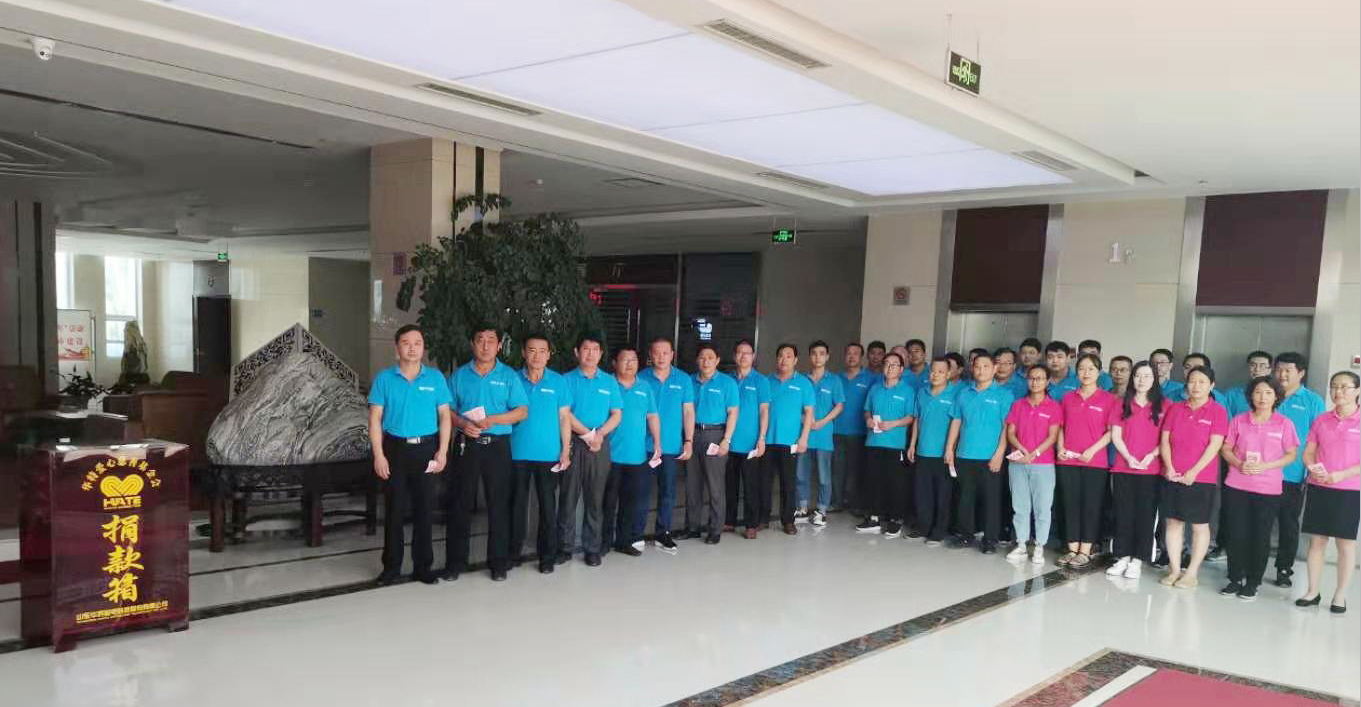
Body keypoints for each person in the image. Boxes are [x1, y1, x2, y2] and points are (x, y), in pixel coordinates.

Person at [367, 324, 452, 586]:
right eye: (406, 343)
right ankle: (391, 568)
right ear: (397, 349)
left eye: (417, 343)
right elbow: (375, 418)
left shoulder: (435, 378)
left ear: (423, 348)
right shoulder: (384, 379)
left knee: (424, 510)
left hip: (427, 449)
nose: (412, 348)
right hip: (395, 449)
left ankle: (423, 567)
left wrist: (442, 451)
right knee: (394, 511)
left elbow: (445, 416)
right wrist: (379, 455)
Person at [446, 326, 529, 582]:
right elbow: (447, 411)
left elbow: (522, 411)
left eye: (491, 340)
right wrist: (462, 423)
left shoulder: (509, 376)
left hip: (497, 445)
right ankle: (455, 563)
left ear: (499, 346)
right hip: (467, 444)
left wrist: (494, 419)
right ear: (472, 344)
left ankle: (498, 563)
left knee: (499, 504)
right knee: (460, 503)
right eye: (480, 340)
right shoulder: (460, 375)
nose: (485, 345)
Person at [1218, 376, 1299, 601]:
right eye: (1258, 392)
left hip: (1268, 488)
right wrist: (1238, 463)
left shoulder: (1284, 423)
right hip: (1237, 485)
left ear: (1276, 397)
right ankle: (1234, 578)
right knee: (1236, 532)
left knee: (1260, 535)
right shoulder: (1239, 420)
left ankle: (1253, 582)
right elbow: (1226, 448)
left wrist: (1266, 466)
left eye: (1268, 393)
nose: (1262, 397)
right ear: (1250, 396)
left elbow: (1291, 454)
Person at [1159, 365, 1228, 589]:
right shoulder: (1175, 408)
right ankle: (1175, 569)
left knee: (1199, 525)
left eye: (1202, 382)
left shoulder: (1217, 411)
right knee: (1173, 522)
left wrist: (1194, 472)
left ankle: (1192, 573)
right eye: (1192, 381)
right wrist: (1169, 467)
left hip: (1201, 478)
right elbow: (1165, 441)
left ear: (1211, 385)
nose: (1196, 386)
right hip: (1173, 475)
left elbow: (1215, 445)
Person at [509, 334, 573, 575]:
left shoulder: (558, 381)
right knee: (516, 505)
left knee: (547, 506)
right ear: (524, 353)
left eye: (542, 351)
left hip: (549, 454)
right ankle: (512, 553)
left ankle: (547, 556)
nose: (537, 356)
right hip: (517, 453)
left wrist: (565, 449)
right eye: (532, 350)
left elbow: (564, 418)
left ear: (549, 354)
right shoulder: (513, 379)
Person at [1298, 371, 1359, 614]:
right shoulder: (1322, 420)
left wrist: (1341, 475)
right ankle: (1312, 591)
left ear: (1357, 391)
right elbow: (1309, 452)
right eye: (1334, 386)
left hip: (1349, 490)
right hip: (1320, 486)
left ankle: (1340, 595)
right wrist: (1313, 468)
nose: (1338, 391)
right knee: (1317, 541)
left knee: (1345, 544)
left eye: (1344, 387)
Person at [559, 333, 623, 568]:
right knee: (568, 497)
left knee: (595, 499)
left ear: (601, 354)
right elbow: (565, 413)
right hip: (573, 442)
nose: (590, 353)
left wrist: (600, 435)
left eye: (595, 349)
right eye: (586, 349)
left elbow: (617, 414)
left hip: (599, 445)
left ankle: (592, 548)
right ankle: (564, 547)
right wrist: (587, 435)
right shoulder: (566, 380)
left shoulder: (609, 382)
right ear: (577, 352)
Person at [945, 352, 1014, 554]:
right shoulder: (964, 394)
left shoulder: (1004, 395)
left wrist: (999, 453)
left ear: (994, 369)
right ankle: (965, 535)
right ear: (972, 369)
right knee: (965, 498)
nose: (981, 370)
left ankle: (990, 540)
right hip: (965, 454)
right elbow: (956, 421)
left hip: (990, 457)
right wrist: (950, 448)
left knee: (991, 500)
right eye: (977, 366)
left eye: (986, 366)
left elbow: (1007, 427)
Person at [1270, 351, 1326, 588]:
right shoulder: (1267, 394)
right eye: (1279, 369)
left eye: (1288, 370)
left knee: (1288, 523)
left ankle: (1284, 568)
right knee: (1258, 522)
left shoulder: (1312, 401)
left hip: (1293, 474)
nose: (1282, 374)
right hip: (1261, 472)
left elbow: (1319, 439)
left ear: (1301, 373)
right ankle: (1250, 565)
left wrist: (1309, 471)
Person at [1055, 353, 1116, 568]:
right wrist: (1060, 447)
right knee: (1070, 504)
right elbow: (1061, 426)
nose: (1086, 373)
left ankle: (1085, 551)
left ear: (1099, 372)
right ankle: (1072, 549)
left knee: (1091, 506)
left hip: (1095, 461)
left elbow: (1112, 432)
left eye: (1091, 369)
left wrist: (1092, 450)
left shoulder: (1108, 399)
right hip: (1068, 461)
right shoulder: (1068, 398)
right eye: (1081, 368)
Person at [1107, 361, 1166, 580]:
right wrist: (1129, 458)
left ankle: (1138, 559)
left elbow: (1167, 438)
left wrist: (1151, 456)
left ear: (1154, 380)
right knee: (1123, 513)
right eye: (1138, 376)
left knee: (1145, 515)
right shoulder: (1122, 403)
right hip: (1123, 468)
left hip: (1151, 470)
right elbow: (1116, 435)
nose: (1142, 380)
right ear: (1133, 379)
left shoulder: (1165, 405)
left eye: (1147, 376)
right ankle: (1122, 556)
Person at [635, 337, 695, 553]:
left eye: (665, 353)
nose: (661, 357)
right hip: (643, 445)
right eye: (656, 353)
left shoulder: (683, 379)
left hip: (670, 446)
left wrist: (688, 441)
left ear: (672, 355)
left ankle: (663, 533)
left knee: (668, 491)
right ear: (650, 355)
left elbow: (688, 412)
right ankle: (636, 533)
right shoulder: (641, 377)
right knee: (640, 491)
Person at [604, 347, 662, 555]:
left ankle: (623, 541)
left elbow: (652, 416)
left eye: (634, 360)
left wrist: (657, 442)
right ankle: (602, 542)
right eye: (624, 359)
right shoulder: (607, 384)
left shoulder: (645, 387)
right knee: (607, 502)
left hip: (636, 456)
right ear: (614, 363)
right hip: (609, 455)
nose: (629, 364)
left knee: (630, 502)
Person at [1003, 364, 1060, 565]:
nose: (1035, 382)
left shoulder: (1053, 406)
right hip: (1018, 462)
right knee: (1020, 506)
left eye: (1040, 378)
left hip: (1043, 464)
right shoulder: (1018, 405)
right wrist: (1022, 450)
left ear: (1047, 381)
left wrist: (1034, 453)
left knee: (1043, 507)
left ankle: (1039, 546)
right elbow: (1011, 432)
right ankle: (1021, 544)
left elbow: (1053, 436)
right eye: (1032, 378)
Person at [861, 352, 917, 537]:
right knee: (873, 480)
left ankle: (895, 519)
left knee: (896, 483)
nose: (890, 367)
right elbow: (867, 410)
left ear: (901, 369)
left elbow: (911, 417)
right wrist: (868, 419)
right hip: (874, 442)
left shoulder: (907, 391)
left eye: (894, 364)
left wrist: (893, 424)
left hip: (896, 444)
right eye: (886, 364)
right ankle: (874, 517)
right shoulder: (875, 388)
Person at [763, 343, 814, 535]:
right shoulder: (767, 381)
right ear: (776, 359)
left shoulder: (803, 383)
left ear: (796, 360)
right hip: (767, 440)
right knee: (764, 481)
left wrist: (804, 438)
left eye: (789, 356)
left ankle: (788, 521)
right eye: (781, 356)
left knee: (788, 483)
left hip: (790, 441)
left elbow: (809, 413)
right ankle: (763, 518)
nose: (784, 359)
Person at [691, 344, 740, 542]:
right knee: (692, 484)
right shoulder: (690, 381)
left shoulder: (727, 383)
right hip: (692, 434)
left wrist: (726, 440)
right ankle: (692, 526)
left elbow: (733, 413)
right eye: (702, 357)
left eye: (710, 357)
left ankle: (715, 528)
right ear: (697, 360)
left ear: (717, 360)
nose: (706, 361)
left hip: (716, 434)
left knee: (715, 485)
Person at [909, 357, 958, 545]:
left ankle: (939, 531)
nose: (935, 375)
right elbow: (917, 420)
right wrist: (912, 444)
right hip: (923, 451)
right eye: (932, 371)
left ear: (949, 374)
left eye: (940, 371)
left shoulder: (955, 394)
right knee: (923, 492)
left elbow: (957, 423)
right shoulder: (922, 392)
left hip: (943, 454)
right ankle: (923, 527)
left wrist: (951, 449)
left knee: (943, 494)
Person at [796, 340, 844, 526]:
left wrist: (823, 421)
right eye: (814, 353)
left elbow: (839, 405)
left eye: (822, 353)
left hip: (824, 435)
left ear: (827, 357)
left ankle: (821, 510)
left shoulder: (834, 380)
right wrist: (805, 420)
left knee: (824, 476)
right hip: (803, 435)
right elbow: (795, 406)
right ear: (809, 357)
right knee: (801, 473)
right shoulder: (801, 380)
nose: (818, 357)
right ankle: (802, 508)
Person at [726, 340, 770, 539]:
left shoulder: (761, 381)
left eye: (747, 353)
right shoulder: (727, 380)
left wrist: (762, 438)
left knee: (751, 485)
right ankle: (729, 520)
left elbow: (764, 411)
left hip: (751, 442)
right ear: (734, 356)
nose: (743, 356)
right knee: (730, 483)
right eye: (740, 352)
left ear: (753, 356)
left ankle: (751, 523)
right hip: (729, 441)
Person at [833, 343, 874, 514]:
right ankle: (837, 502)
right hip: (837, 430)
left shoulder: (871, 379)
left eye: (855, 353)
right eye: (848, 353)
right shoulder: (836, 379)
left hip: (860, 432)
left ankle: (855, 503)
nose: (851, 357)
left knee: (856, 470)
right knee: (837, 469)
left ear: (861, 357)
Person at [1225, 351, 1273, 419]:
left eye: (1262, 366)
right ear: (1248, 367)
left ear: (1269, 370)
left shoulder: (1275, 395)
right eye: (1253, 365)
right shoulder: (1232, 394)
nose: (1257, 369)